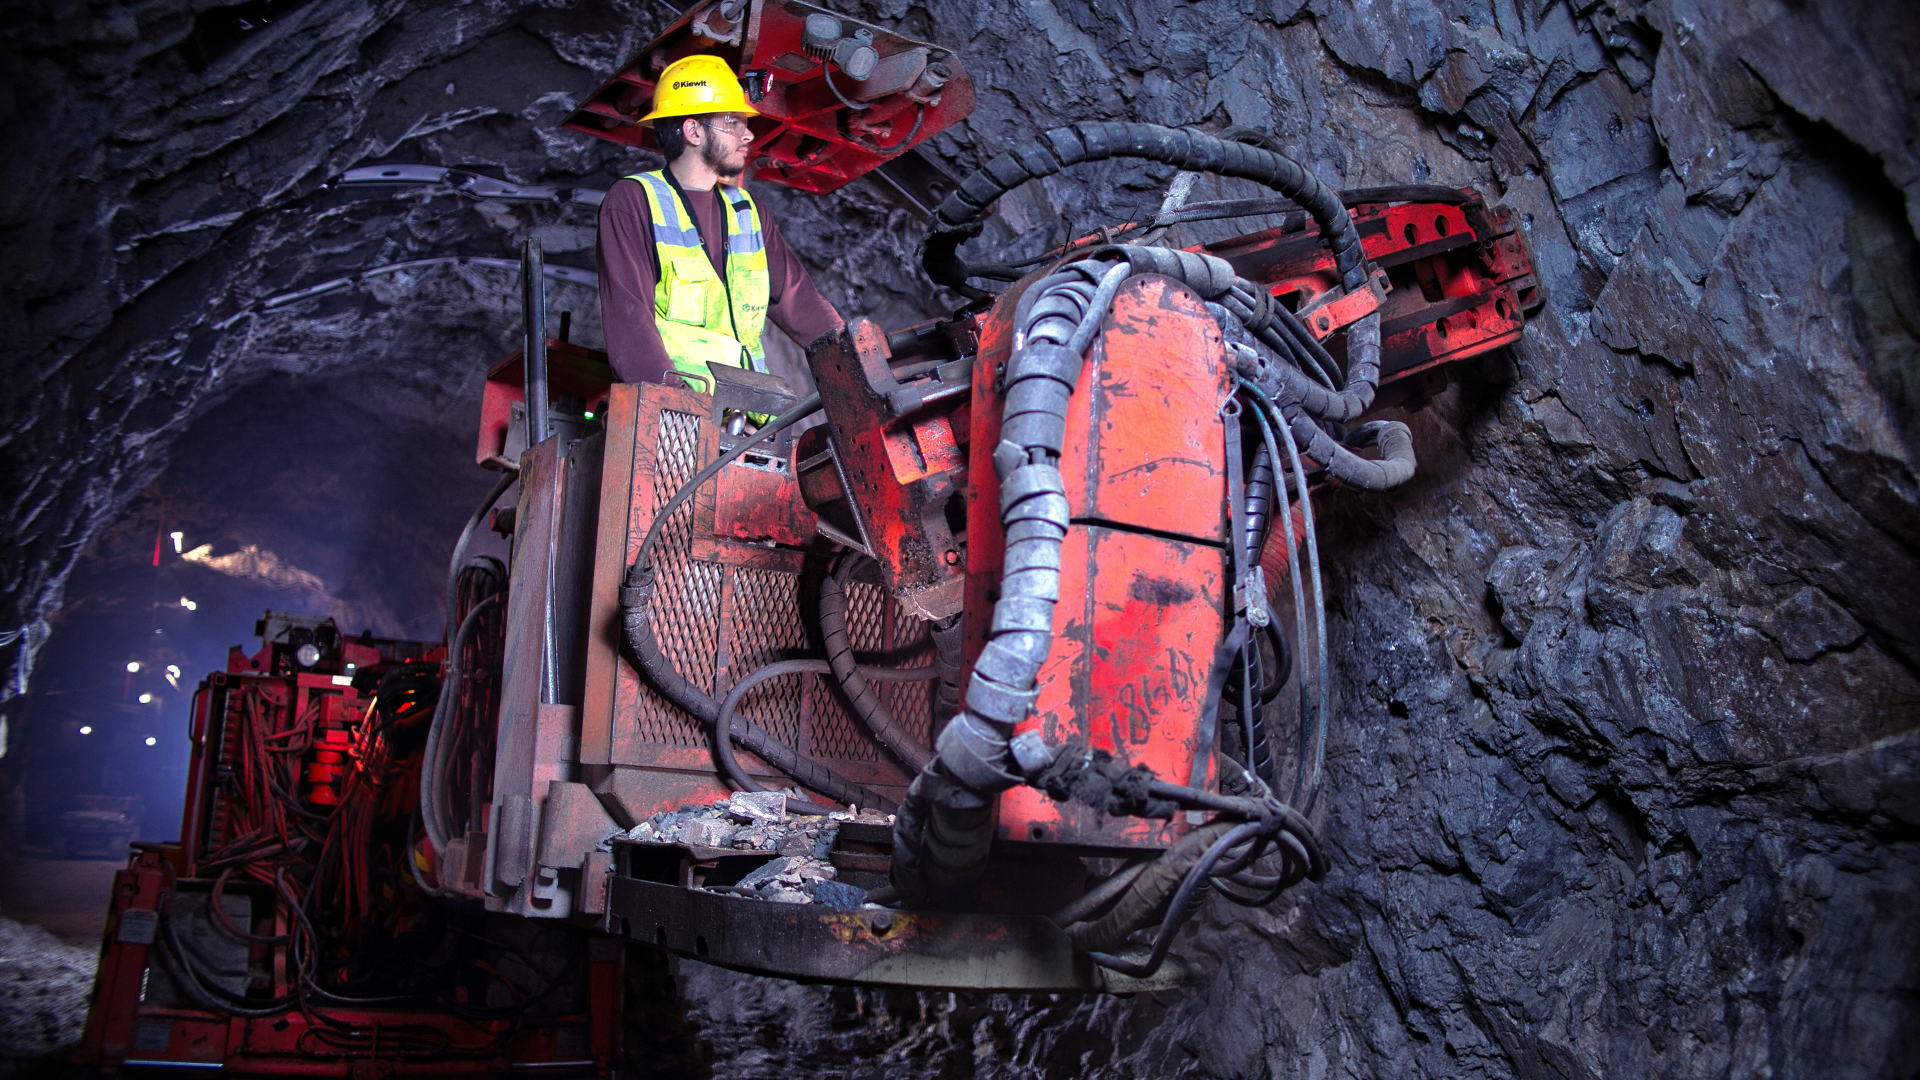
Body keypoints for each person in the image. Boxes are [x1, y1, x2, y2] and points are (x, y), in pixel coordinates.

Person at [596, 54, 843, 386]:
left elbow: (799, 300)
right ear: (693, 131)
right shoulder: (634, 202)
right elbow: (630, 323)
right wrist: (675, 405)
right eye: (731, 122)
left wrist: (858, 358)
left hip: (749, 417)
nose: (748, 135)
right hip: (677, 417)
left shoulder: (747, 212)